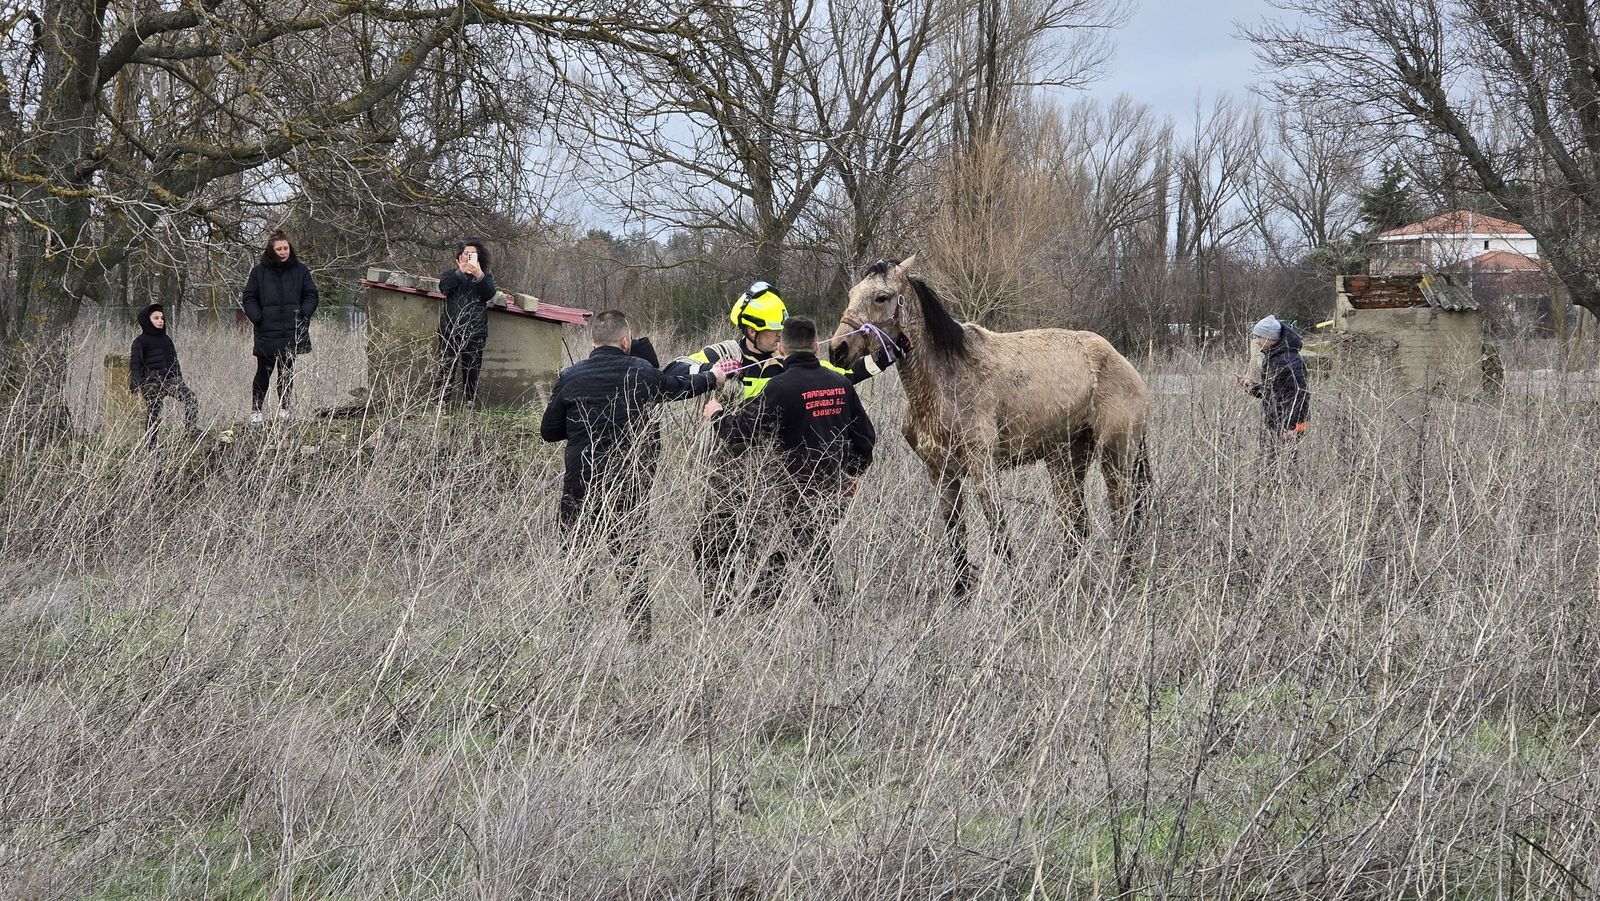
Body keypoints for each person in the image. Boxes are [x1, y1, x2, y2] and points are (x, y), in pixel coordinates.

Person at [665, 281, 899, 604]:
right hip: (727, 468)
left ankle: (764, 615)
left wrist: (882, 360)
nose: (778, 338)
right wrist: (712, 373)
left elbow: (837, 376)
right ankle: (719, 610)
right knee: (710, 543)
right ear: (750, 330)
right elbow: (674, 368)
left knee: (771, 548)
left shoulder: (784, 362)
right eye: (772, 333)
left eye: (780, 333)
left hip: (776, 471)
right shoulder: (724, 353)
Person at [540, 310, 727, 641]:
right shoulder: (642, 372)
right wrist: (712, 378)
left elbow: (549, 431)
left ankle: (575, 637)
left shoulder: (571, 376)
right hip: (629, 487)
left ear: (593, 342)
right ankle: (640, 638)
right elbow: (679, 388)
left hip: (578, 487)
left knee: (577, 566)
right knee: (631, 566)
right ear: (625, 341)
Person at [706, 316, 876, 610]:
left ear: (782, 348)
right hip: (833, 490)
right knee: (807, 547)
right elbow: (865, 437)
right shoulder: (840, 383)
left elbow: (741, 433)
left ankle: (776, 615)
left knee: (790, 550)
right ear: (815, 347)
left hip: (791, 493)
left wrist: (716, 415)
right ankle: (798, 614)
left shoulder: (780, 388)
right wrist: (853, 473)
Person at [241, 229, 318, 423]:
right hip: (267, 331)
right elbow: (249, 297)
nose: (283, 252)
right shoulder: (259, 272)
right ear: (271, 250)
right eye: (279, 249)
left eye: (286, 248)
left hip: (292, 330)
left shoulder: (301, 270)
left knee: (287, 373)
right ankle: (256, 412)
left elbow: (311, 294)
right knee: (263, 373)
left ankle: (285, 410)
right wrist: (258, 317)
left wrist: (303, 313)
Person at [433, 239, 498, 409]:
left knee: (472, 370)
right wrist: (459, 273)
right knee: (446, 368)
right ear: (458, 258)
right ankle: (441, 403)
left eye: (471, 255)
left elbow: (489, 293)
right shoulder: (450, 275)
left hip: (475, 332)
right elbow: (444, 288)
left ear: (478, 258)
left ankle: (469, 403)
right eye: (465, 255)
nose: (468, 258)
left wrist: (479, 275)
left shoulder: (486, 277)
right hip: (450, 330)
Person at [129, 303, 199, 447]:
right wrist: (135, 385)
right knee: (154, 414)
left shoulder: (166, 340)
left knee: (191, 398)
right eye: (156, 318)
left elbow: (174, 361)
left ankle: (190, 430)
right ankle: (151, 444)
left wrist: (179, 379)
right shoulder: (140, 342)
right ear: (147, 320)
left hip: (170, 380)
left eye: (162, 318)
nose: (160, 320)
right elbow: (135, 365)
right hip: (151, 383)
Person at [1237, 314, 1309, 449]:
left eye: (1259, 337)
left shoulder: (1292, 361)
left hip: (1289, 426)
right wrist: (1250, 386)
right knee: (1272, 461)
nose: (1256, 341)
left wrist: (1292, 427)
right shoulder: (1271, 357)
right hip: (1275, 422)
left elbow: (1300, 395)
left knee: (1286, 463)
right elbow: (1271, 392)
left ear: (1270, 338)